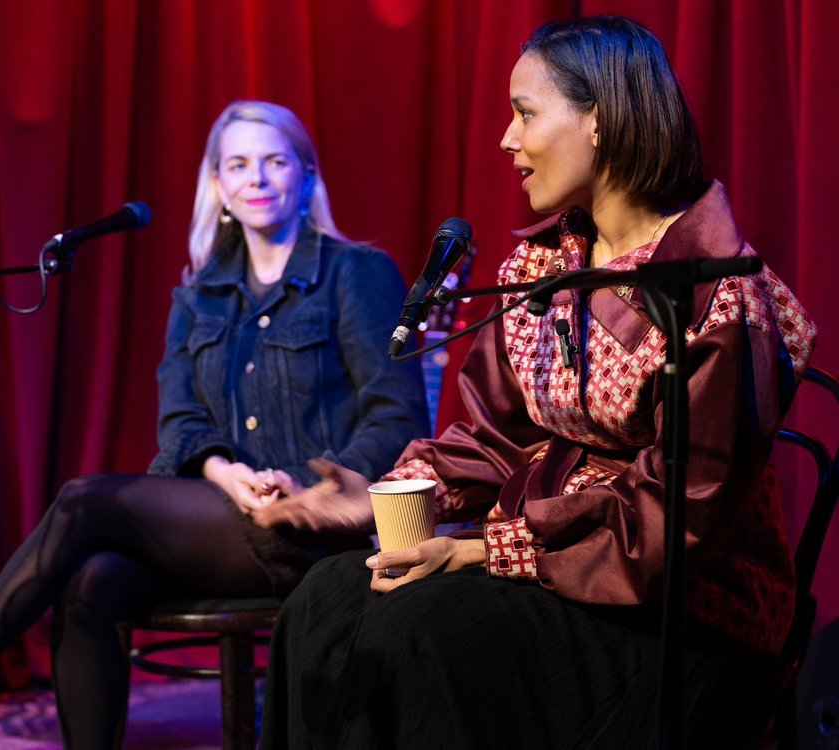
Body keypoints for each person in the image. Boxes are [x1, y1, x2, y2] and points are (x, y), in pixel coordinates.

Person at [254, 16, 817, 750]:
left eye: (524, 113)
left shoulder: (716, 294)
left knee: (414, 628)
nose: (505, 141)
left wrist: (484, 551)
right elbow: (493, 438)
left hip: (688, 608)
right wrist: (386, 494)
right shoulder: (542, 270)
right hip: (555, 565)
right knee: (326, 597)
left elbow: (674, 526)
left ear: (599, 120)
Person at [0, 100, 429, 749]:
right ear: (219, 186)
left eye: (274, 161)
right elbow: (180, 420)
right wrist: (227, 475)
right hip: (220, 521)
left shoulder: (356, 274)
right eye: (239, 164)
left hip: (311, 530)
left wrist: (313, 491)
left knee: (84, 499)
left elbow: (395, 414)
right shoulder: (197, 293)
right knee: (91, 582)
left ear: (306, 176)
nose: (257, 177)